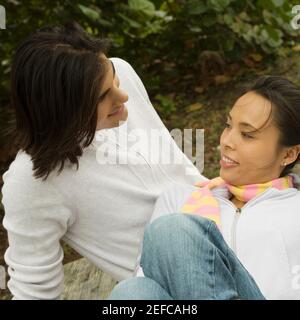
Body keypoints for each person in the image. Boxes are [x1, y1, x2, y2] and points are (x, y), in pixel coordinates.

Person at [1, 22, 204, 300]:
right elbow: (33, 291)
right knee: (131, 295)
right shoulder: (33, 180)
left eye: (114, 80)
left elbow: (177, 171)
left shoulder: (121, 73)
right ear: (64, 111)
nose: (123, 96)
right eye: (102, 96)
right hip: (182, 282)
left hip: (227, 220)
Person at [108, 76, 300, 300]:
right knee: (131, 293)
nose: (227, 141)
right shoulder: (182, 198)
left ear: (289, 154)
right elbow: (151, 278)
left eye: (247, 135)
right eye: (228, 126)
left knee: (174, 229)